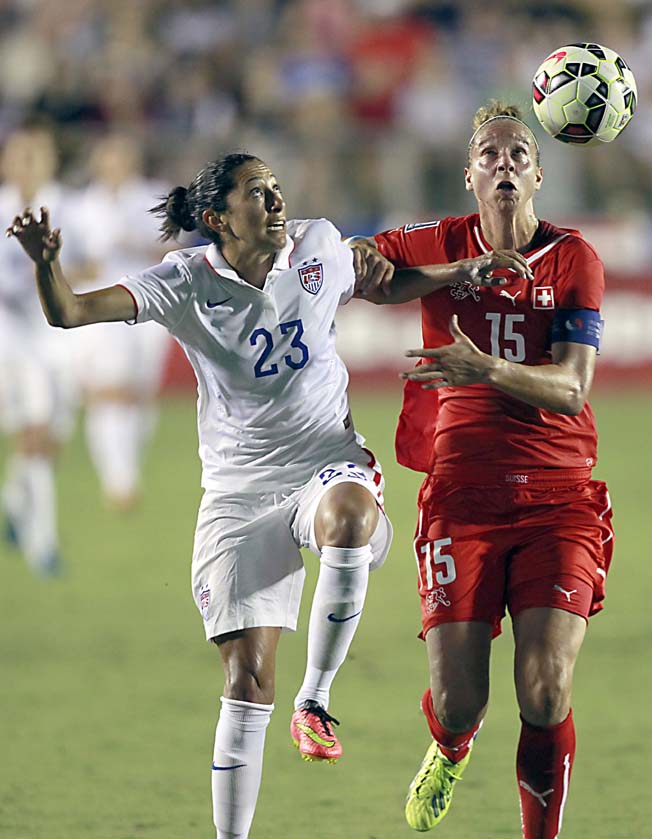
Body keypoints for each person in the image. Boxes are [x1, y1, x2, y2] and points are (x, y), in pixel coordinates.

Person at [7, 153, 393, 839]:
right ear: (217, 218)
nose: (275, 199)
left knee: (350, 514)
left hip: (323, 465)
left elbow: (391, 278)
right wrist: (46, 262)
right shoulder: (186, 280)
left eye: (277, 186)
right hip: (239, 494)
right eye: (257, 192)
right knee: (247, 679)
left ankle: (317, 698)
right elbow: (67, 311)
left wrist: (464, 272)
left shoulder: (320, 244)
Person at [351, 101, 614, 839]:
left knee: (545, 685)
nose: (505, 163)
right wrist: (446, 271)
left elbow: (572, 387)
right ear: (469, 175)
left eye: (519, 154)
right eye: (490, 154)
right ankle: (452, 744)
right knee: (461, 699)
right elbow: (352, 263)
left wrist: (484, 368)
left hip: (559, 498)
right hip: (462, 496)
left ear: (538, 174)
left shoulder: (572, 259)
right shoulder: (440, 241)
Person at [70, 133, 172, 511]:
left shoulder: (155, 198)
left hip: (150, 305)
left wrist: (141, 246)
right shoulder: (79, 206)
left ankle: (128, 468)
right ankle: (119, 480)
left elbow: (179, 251)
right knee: (109, 390)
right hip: (100, 306)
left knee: (140, 393)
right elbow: (63, 264)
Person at [0, 123, 80, 575]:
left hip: (58, 336)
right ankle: (42, 544)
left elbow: (91, 260)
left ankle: (13, 502)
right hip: (12, 337)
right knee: (32, 431)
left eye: (35, 156)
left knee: (53, 438)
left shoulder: (68, 206)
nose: (27, 165)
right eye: (19, 155)